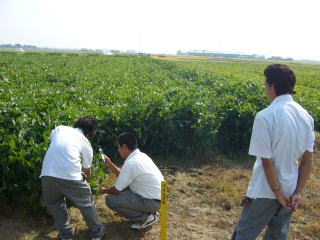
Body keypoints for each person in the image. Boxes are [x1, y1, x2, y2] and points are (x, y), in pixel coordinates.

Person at [231, 64, 315, 240]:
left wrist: (277, 192)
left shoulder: (265, 116)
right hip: (290, 190)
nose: (265, 88)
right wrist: (297, 192)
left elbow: (266, 162)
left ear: (273, 86)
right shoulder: (306, 116)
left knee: (244, 235)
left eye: (265, 84)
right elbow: (307, 160)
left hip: (265, 190)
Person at [40, 117, 105, 240]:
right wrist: (86, 184)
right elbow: (87, 170)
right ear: (89, 134)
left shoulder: (60, 129)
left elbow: (57, 147)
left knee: (54, 204)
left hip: (47, 172)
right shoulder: (85, 143)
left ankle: (66, 234)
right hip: (71, 176)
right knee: (86, 203)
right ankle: (97, 232)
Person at [99, 132, 164, 230]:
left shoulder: (131, 163)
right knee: (124, 187)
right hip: (160, 197)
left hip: (153, 202)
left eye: (118, 147)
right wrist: (110, 163)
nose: (118, 150)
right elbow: (123, 176)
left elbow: (117, 190)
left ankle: (147, 218)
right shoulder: (141, 156)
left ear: (124, 146)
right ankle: (149, 211)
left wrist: (104, 190)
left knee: (111, 200)